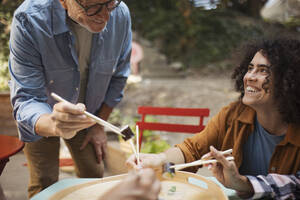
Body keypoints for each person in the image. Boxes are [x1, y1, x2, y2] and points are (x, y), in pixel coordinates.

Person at [127, 38, 300, 199]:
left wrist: (243, 184)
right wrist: (158, 160)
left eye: (263, 71)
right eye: (249, 68)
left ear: (289, 80)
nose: (250, 77)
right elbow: (192, 149)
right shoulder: (234, 114)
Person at [9, 0, 132, 198]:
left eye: (110, 3)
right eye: (93, 7)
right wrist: (53, 124)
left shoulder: (120, 13)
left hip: (89, 114)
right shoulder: (29, 19)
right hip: (42, 116)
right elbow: (26, 97)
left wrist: (99, 125)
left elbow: (119, 76)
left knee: (93, 177)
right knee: (44, 184)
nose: (106, 17)